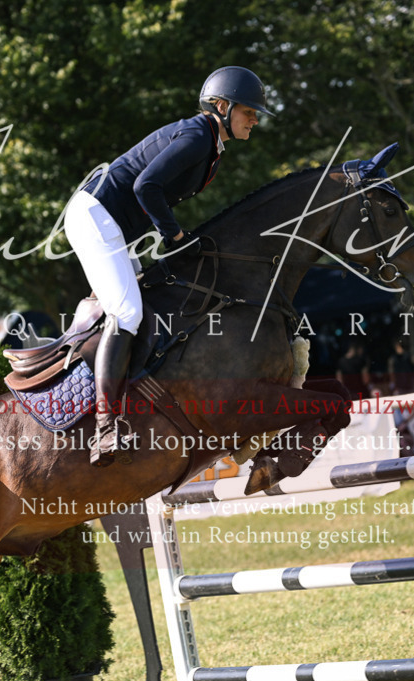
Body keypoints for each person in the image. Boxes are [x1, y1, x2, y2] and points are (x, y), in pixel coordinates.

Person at [66, 66, 274, 466]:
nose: (255, 118)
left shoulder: (209, 141)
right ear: (222, 106)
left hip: (111, 222)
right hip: (97, 216)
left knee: (144, 301)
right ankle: (105, 426)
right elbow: (146, 185)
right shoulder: (198, 136)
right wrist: (175, 236)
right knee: (126, 311)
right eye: (249, 110)